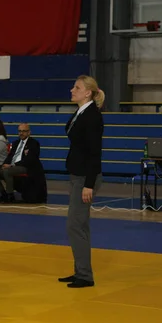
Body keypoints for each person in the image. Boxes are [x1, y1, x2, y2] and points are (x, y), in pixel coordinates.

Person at [58, 75, 104, 289]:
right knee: (79, 225)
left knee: (75, 225)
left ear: (88, 92)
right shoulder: (81, 112)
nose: (71, 90)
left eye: (76, 87)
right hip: (77, 175)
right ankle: (80, 271)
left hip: (85, 177)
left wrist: (89, 184)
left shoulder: (92, 116)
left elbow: (95, 153)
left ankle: (85, 275)